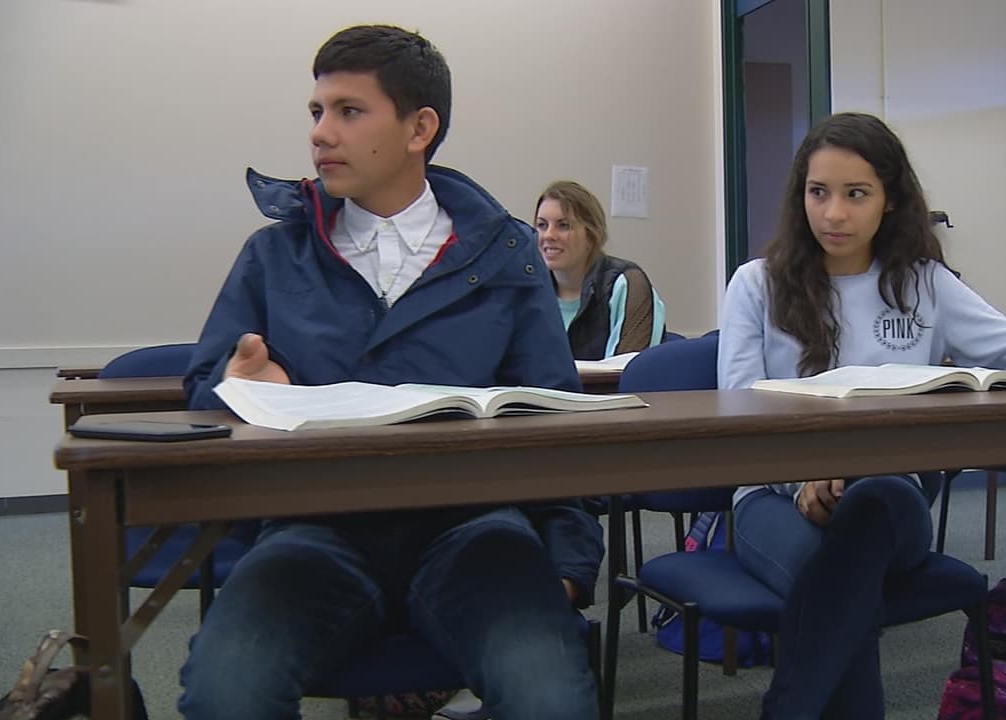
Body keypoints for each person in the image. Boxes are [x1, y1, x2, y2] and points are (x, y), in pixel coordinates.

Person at [177, 25, 602, 720]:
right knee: (226, 690)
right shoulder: (274, 255)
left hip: (474, 528)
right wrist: (238, 386)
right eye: (317, 111)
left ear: (419, 129)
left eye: (349, 111)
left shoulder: (506, 257)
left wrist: (568, 569)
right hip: (314, 528)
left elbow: (554, 416)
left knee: (550, 694)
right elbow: (201, 394)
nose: (320, 133)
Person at [718, 112, 1006, 719]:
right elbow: (738, 412)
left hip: (889, 496)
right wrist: (799, 479)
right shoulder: (756, 284)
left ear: (889, 199)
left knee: (868, 517)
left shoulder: (923, 283)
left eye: (856, 194)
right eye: (818, 192)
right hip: (773, 496)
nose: (833, 213)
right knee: (841, 584)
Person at [535, 180, 666, 359]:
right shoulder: (528, 288)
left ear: (591, 235)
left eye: (563, 225)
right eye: (542, 225)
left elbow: (626, 369)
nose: (549, 235)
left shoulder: (627, 284)